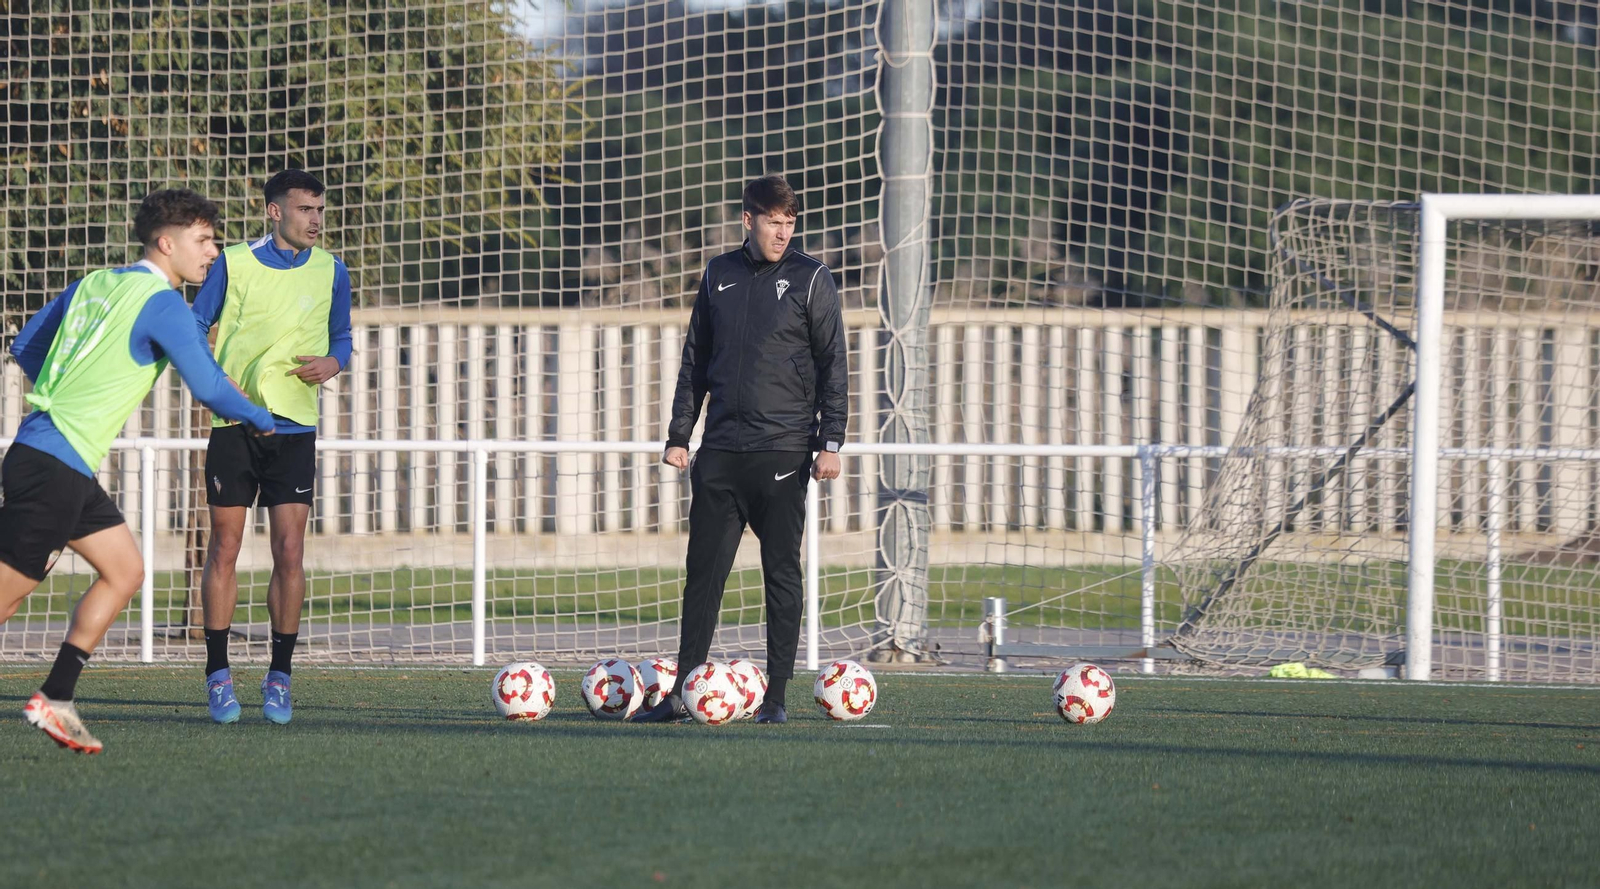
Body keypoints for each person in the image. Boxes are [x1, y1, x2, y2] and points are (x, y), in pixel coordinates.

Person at [2, 189, 275, 753]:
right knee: (5, 597)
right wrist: (259, 417)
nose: (213, 251)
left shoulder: (95, 282)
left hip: (55, 459)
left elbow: (27, 347)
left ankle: (55, 698)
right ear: (166, 243)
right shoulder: (165, 303)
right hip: (54, 465)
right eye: (204, 240)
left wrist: (76, 388)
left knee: (125, 571)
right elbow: (208, 386)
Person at [633, 175, 847, 724]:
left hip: (782, 453)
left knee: (782, 574)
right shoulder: (718, 274)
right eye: (773, 222)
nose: (783, 232)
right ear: (748, 220)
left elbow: (833, 366)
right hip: (721, 453)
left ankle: (775, 698)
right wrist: (680, 435)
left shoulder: (812, 278)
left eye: (790, 223)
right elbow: (696, 361)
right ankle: (682, 693)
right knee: (703, 577)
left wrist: (830, 442)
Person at [191, 169, 353, 725]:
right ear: (274, 211)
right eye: (305, 209)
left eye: (320, 210)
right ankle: (218, 675)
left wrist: (333, 362)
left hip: (295, 430)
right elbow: (195, 326)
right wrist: (218, 383)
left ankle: (279, 677)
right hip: (235, 427)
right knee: (225, 548)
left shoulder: (333, 270)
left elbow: (342, 336)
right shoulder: (233, 263)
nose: (315, 220)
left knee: (290, 553)